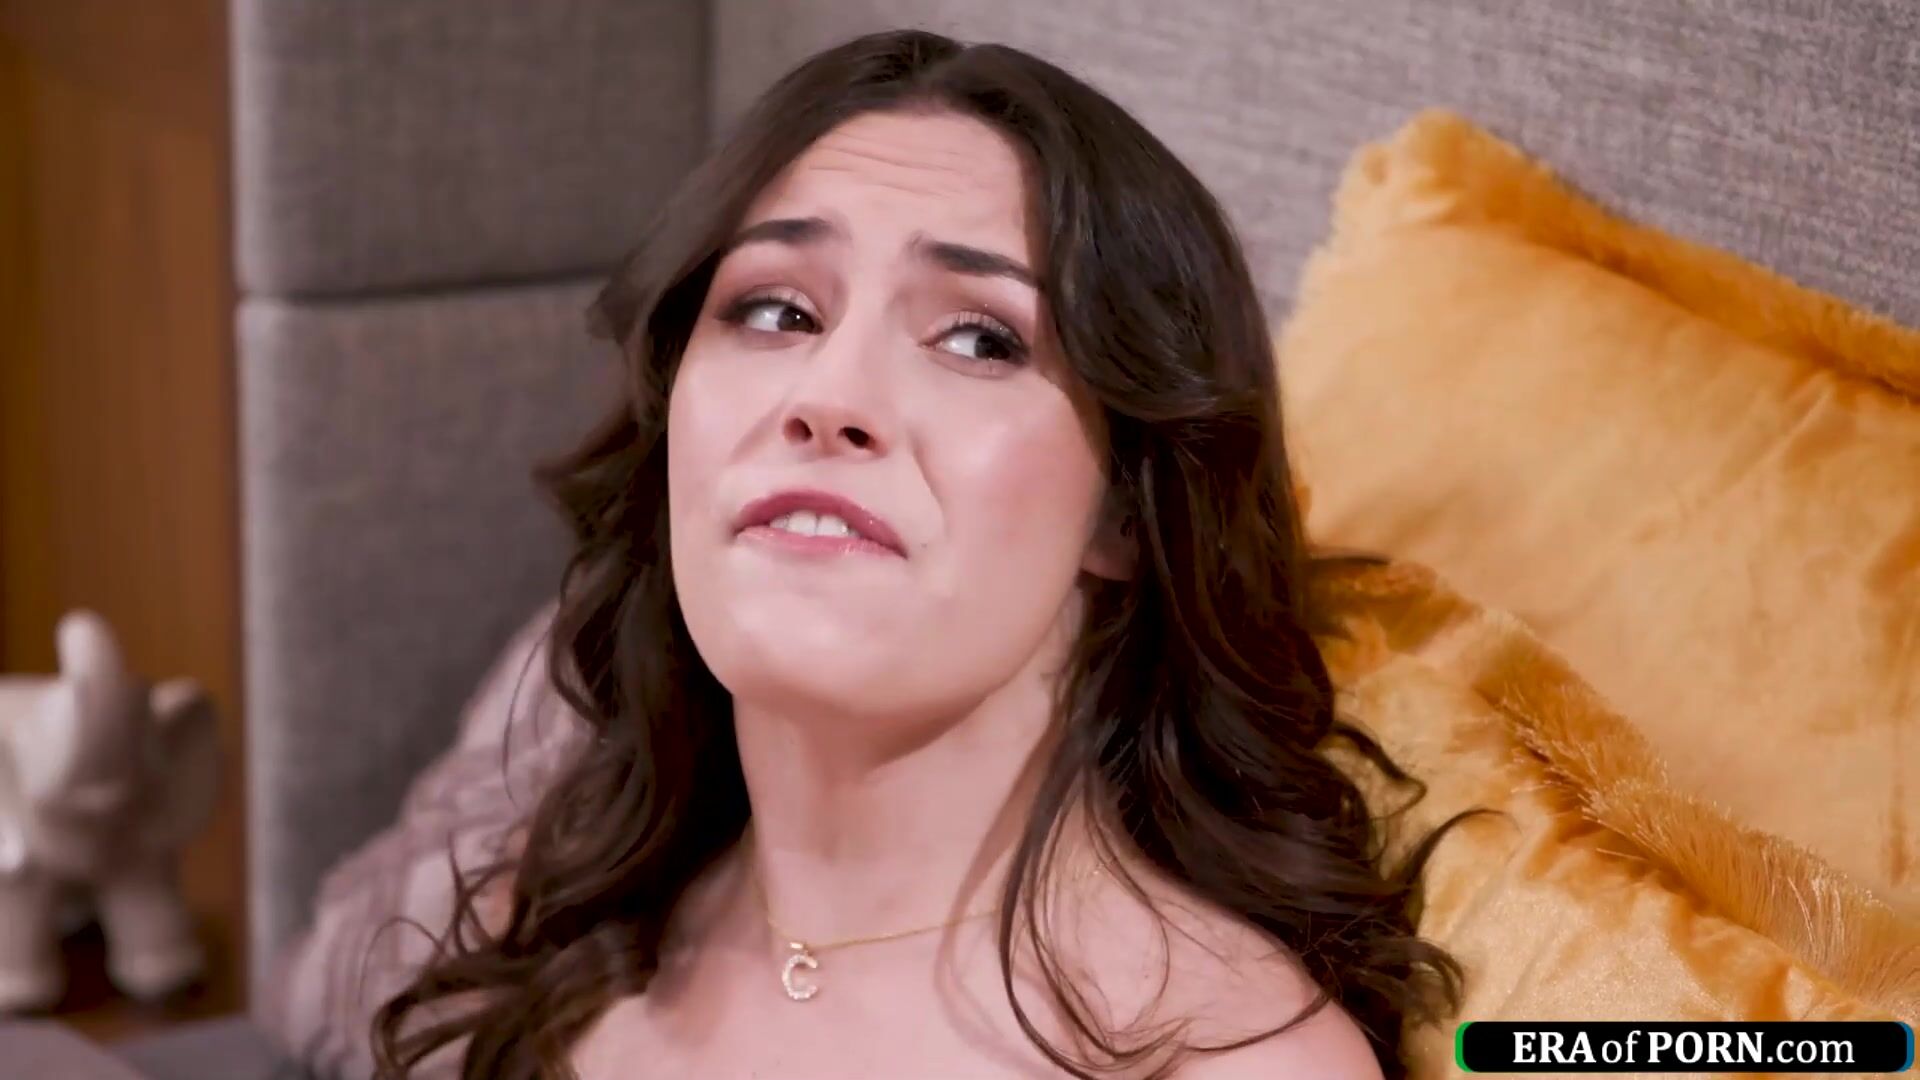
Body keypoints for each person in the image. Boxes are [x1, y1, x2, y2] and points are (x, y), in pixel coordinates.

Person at [373, 28, 1467, 1080]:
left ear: (1127, 510)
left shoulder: (1229, 1058)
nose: (829, 396)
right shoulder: (568, 923)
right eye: (776, 311)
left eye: (980, 338)